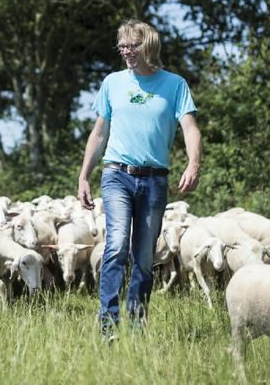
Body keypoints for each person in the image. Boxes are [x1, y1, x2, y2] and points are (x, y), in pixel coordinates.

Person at [77, 19, 201, 341]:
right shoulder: (113, 83)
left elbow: (189, 128)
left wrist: (193, 164)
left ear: (148, 46)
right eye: (122, 45)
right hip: (117, 174)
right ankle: (108, 325)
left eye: (132, 45)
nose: (126, 51)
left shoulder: (174, 85)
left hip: (155, 180)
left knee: (144, 257)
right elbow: (99, 131)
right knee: (116, 245)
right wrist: (84, 176)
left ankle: (136, 321)